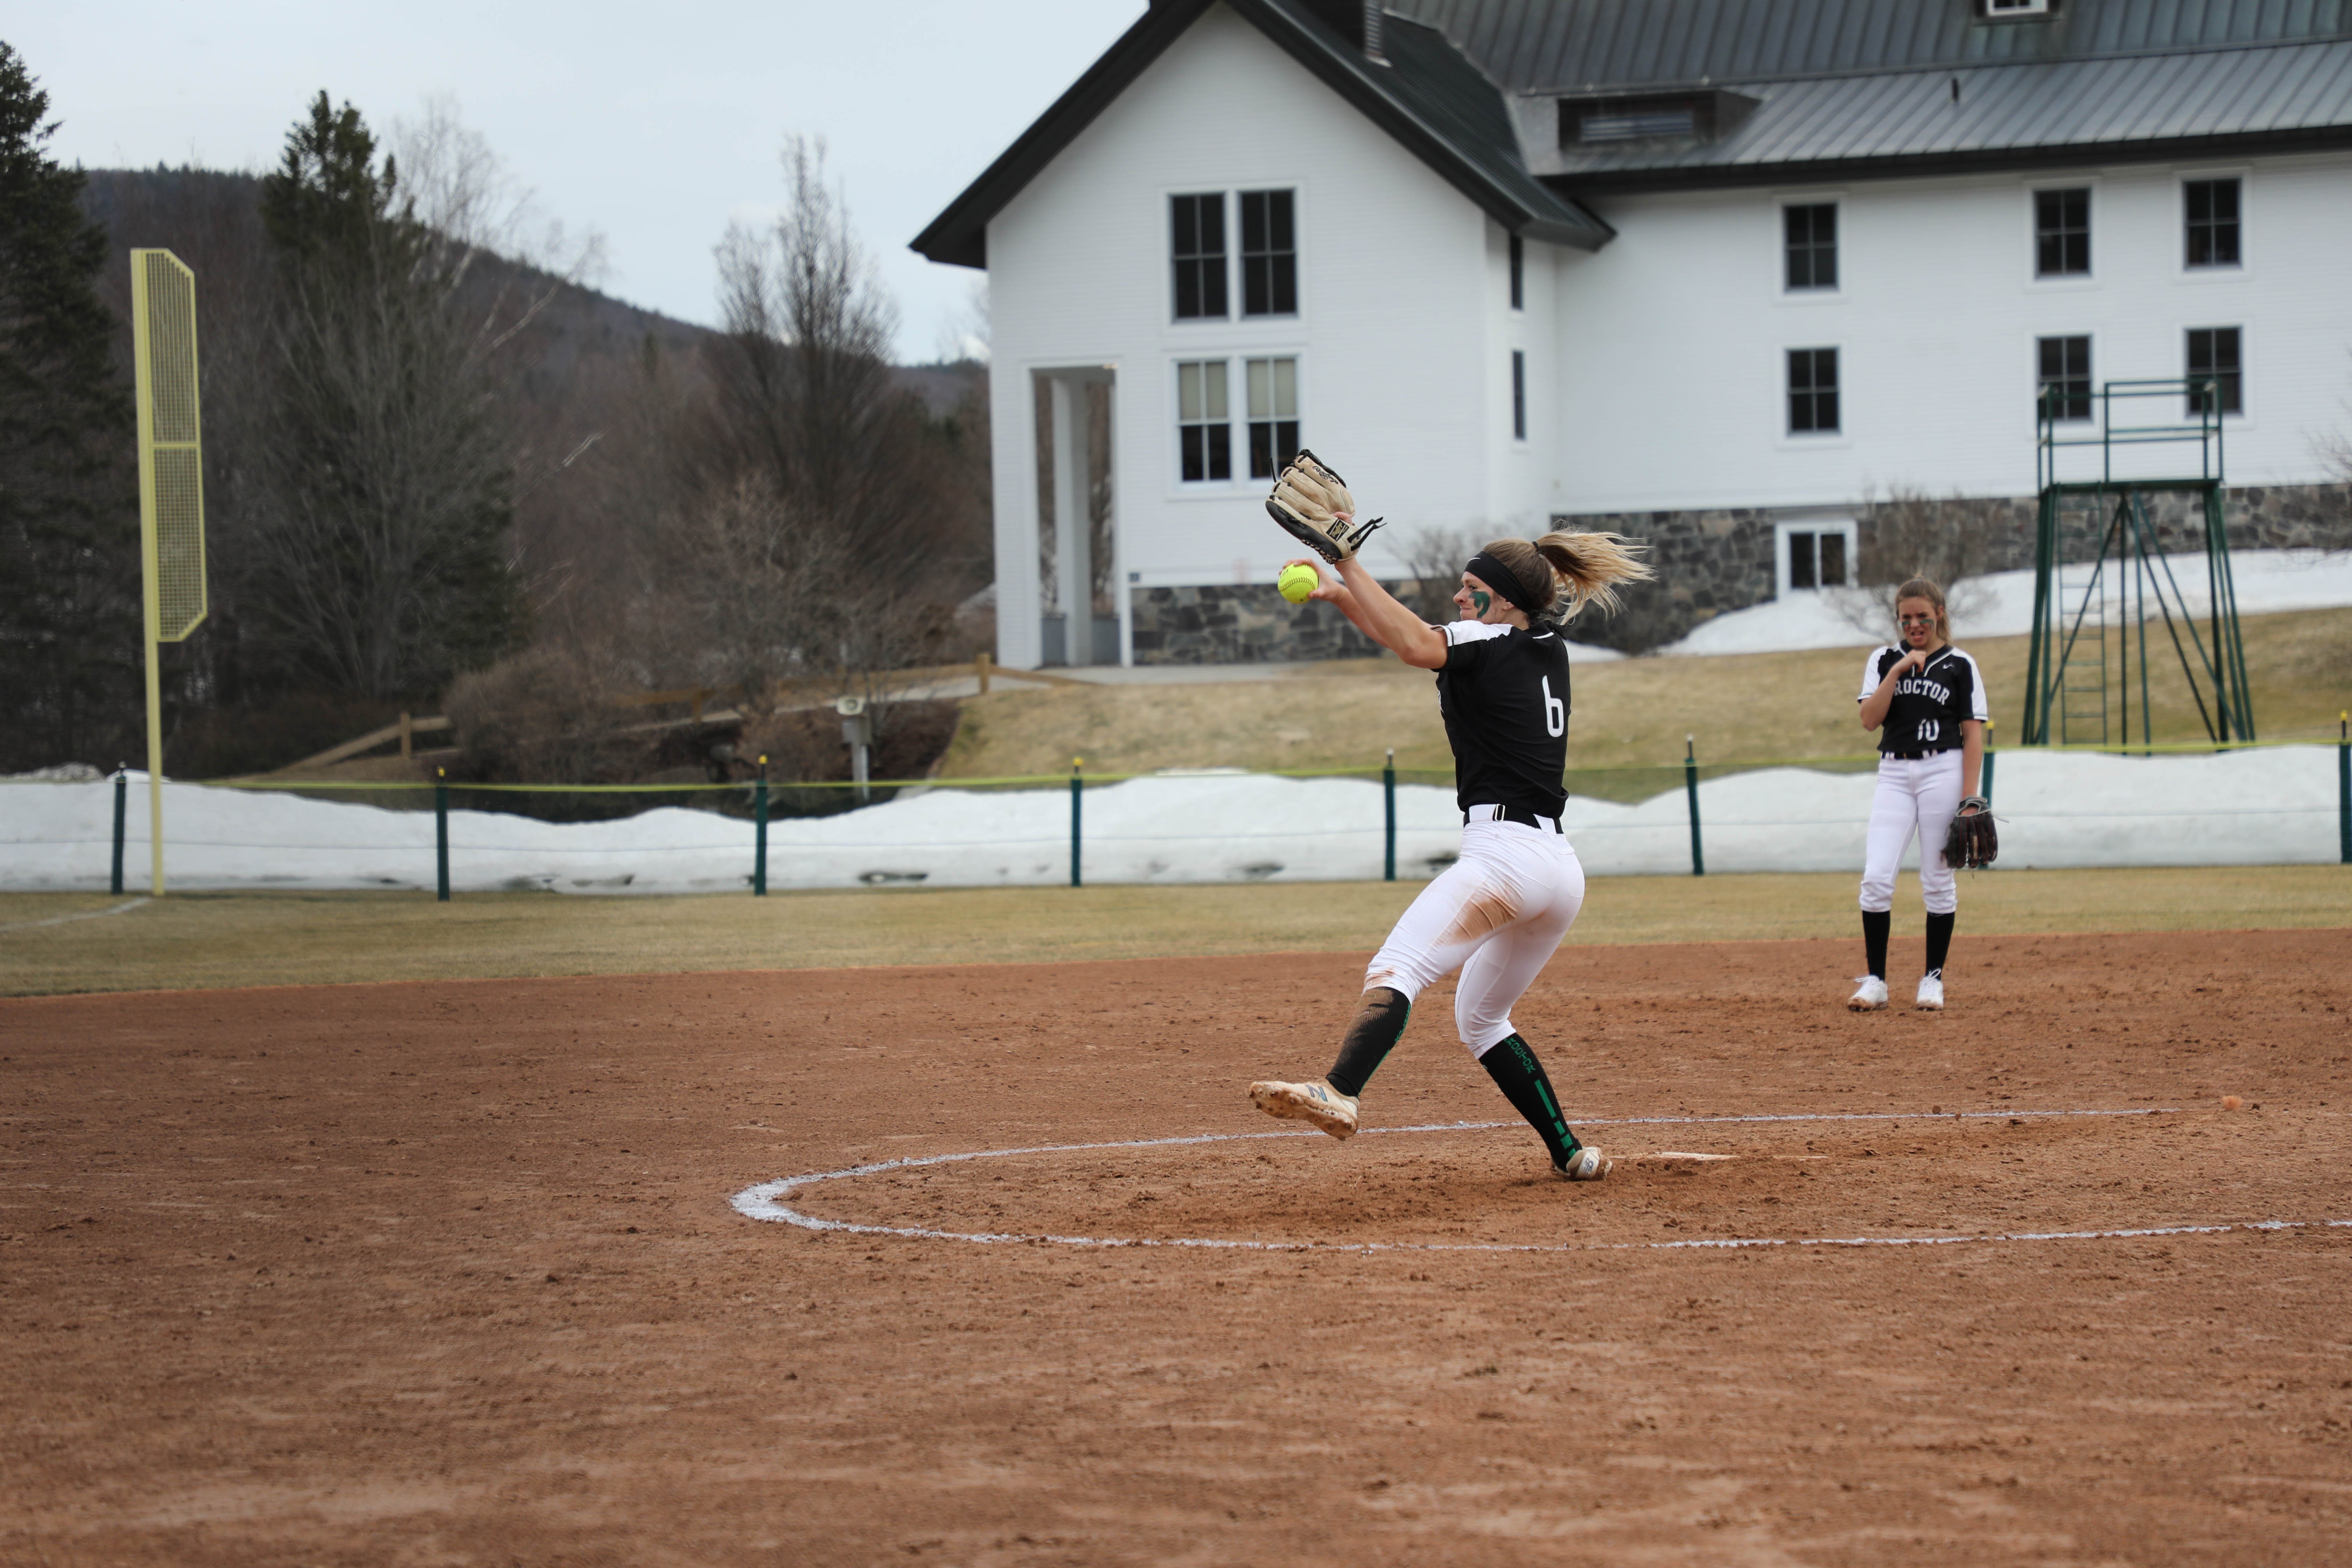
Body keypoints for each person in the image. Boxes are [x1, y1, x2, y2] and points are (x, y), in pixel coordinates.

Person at [1247, 529, 1652, 1182]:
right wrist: (1344, 595)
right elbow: (1417, 636)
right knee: (1482, 1017)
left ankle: (1341, 1089)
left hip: (1504, 859)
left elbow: (1414, 643)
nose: (1460, 596)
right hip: (1557, 868)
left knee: (1398, 966)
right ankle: (1570, 1152)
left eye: (1475, 589)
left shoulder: (1488, 641)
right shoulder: (1548, 649)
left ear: (1508, 601)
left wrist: (1345, 561)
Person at [1850, 576, 1989, 1012]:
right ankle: (1876, 980)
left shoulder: (1961, 664)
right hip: (1894, 771)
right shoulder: (1883, 659)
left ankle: (1933, 979)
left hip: (1942, 769)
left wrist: (1970, 796)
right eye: (1906, 617)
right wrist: (1896, 671)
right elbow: (1869, 720)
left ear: (1939, 614)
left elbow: (1973, 736)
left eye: (1922, 616)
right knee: (1875, 879)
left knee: (1937, 879)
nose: (1915, 624)